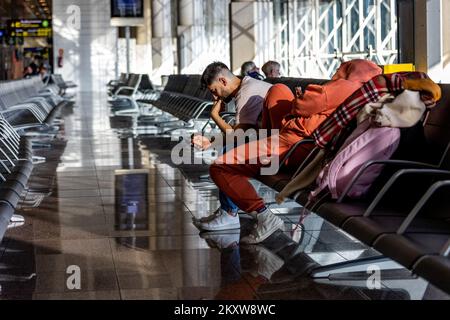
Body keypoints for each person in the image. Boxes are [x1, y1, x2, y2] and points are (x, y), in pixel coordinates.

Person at [195, 59, 383, 244]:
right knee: (278, 91)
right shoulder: (361, 91)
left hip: (295, 146)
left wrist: (214, 116)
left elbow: (303, 105)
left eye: (342, 68)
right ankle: (234, 211)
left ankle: (252, 215)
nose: (337, 72)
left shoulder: (344, 87)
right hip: (296, 142)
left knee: (221, 165)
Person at [192, 62, 273, 218]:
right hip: (272, 141)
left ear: (223, 81)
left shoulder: (246, 93)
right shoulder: (247, 86)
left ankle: (230, 212)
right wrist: (211, 141)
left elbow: (238, 137)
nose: (215, 97)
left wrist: (215, 116)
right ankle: (228, 210)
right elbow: (240, 134)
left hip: (278, 150)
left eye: (214, 91)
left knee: (225, 163)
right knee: (228, 152)